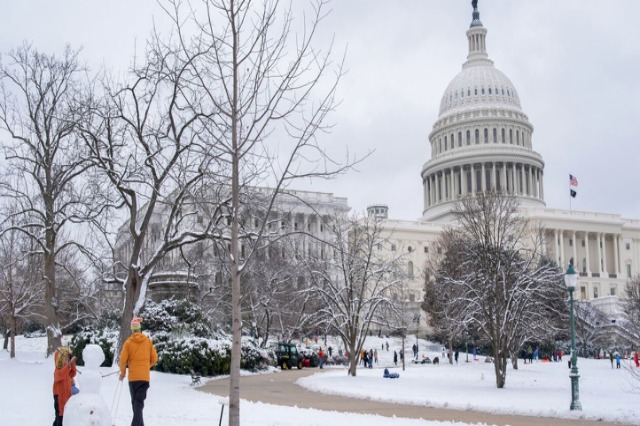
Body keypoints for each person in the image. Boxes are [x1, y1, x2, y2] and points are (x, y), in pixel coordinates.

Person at [119, 316, 158, 426]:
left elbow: (122, 361)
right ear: (140, 329)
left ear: (132, 330)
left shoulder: (128, 343)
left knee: (136, 404)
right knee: (138, 405)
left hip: (133, 379)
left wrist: (122, 373)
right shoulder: (148, 342)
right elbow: (155, 358)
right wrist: (146, 366)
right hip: (144, 379)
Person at [52, 346, 77, 426]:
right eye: (66, 359)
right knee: (60, 419)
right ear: (61, 359)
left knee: (64, 418)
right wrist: (69, 365)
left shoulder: (67, 372)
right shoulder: (57, 371)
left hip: (67, 398)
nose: (67, 361)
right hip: (59, 400)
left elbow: (73, 373)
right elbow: (61, 375)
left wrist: (72, 364)